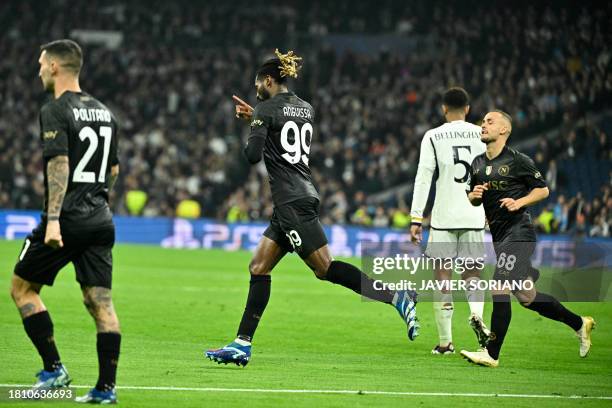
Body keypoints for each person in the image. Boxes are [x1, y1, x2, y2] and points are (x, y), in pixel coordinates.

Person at [205, 50, 418, 367]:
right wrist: (260, 117)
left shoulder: (266, 108)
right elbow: (282, 130)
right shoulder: (306, 108)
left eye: (258, 85)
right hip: (294, 198)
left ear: (268, 80)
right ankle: (241, 344)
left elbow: (252, 155)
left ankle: (395, 296)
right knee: (258, 267)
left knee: (325, 269)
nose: (256, 91)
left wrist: (255, 123)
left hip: (291, 201)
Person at [9, 39, 121, 403]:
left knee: (22, 289)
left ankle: (54, 369)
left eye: (41, 63)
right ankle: (106, 389)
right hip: (100, 219)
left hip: (66, 218)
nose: (39, 69)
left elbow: (58, 165)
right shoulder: (106, 111)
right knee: (100, 303)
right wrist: (98, 200)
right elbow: (114, 169)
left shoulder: (55, 109)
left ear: (55, 67)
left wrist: (54, 219)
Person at [460, 110, 595, 367]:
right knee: (527, 297)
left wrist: (519, 201)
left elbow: (542, 190)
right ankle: (580, 324)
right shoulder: (476, 163)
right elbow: (472, 197)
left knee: (498, 286)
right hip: (500, 238)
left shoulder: (518, 160)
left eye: (490, 121)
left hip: (519, 233)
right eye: (483, 121)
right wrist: (475, 196)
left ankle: (491, 353)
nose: (483, 125)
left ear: (504, 130)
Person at [410, 87, 490, 355]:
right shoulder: (482, 135)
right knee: (472, 273)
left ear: (444, 109)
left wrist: (415, 218)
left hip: (443, 217)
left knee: (442, 276)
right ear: (468, 109)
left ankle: (445, 343)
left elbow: (424, 178)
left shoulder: (433, 136)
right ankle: (477, 316)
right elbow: (492, 175)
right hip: (474, 214)